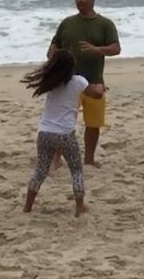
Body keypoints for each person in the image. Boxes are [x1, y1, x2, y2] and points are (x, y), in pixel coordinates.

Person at [22, 49, 105, 217]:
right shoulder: (78, 81)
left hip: (44, 132)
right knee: (76, 171)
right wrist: (101, 88)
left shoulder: (50, 80)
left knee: (40, 170)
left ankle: (28, 207)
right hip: (65, 134)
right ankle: (79, 208)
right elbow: (95, 94)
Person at [48, 0, 121, 167]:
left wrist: (97, 49)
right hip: (68, 81)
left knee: (93, 123)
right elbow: (53, 47)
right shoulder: (67, 23)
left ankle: (89, 159)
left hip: (94, 81)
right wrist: (52, 57)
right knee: (63, 122)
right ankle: (57, 158)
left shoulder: (105, 24)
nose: (79, 0)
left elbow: (116, 48)